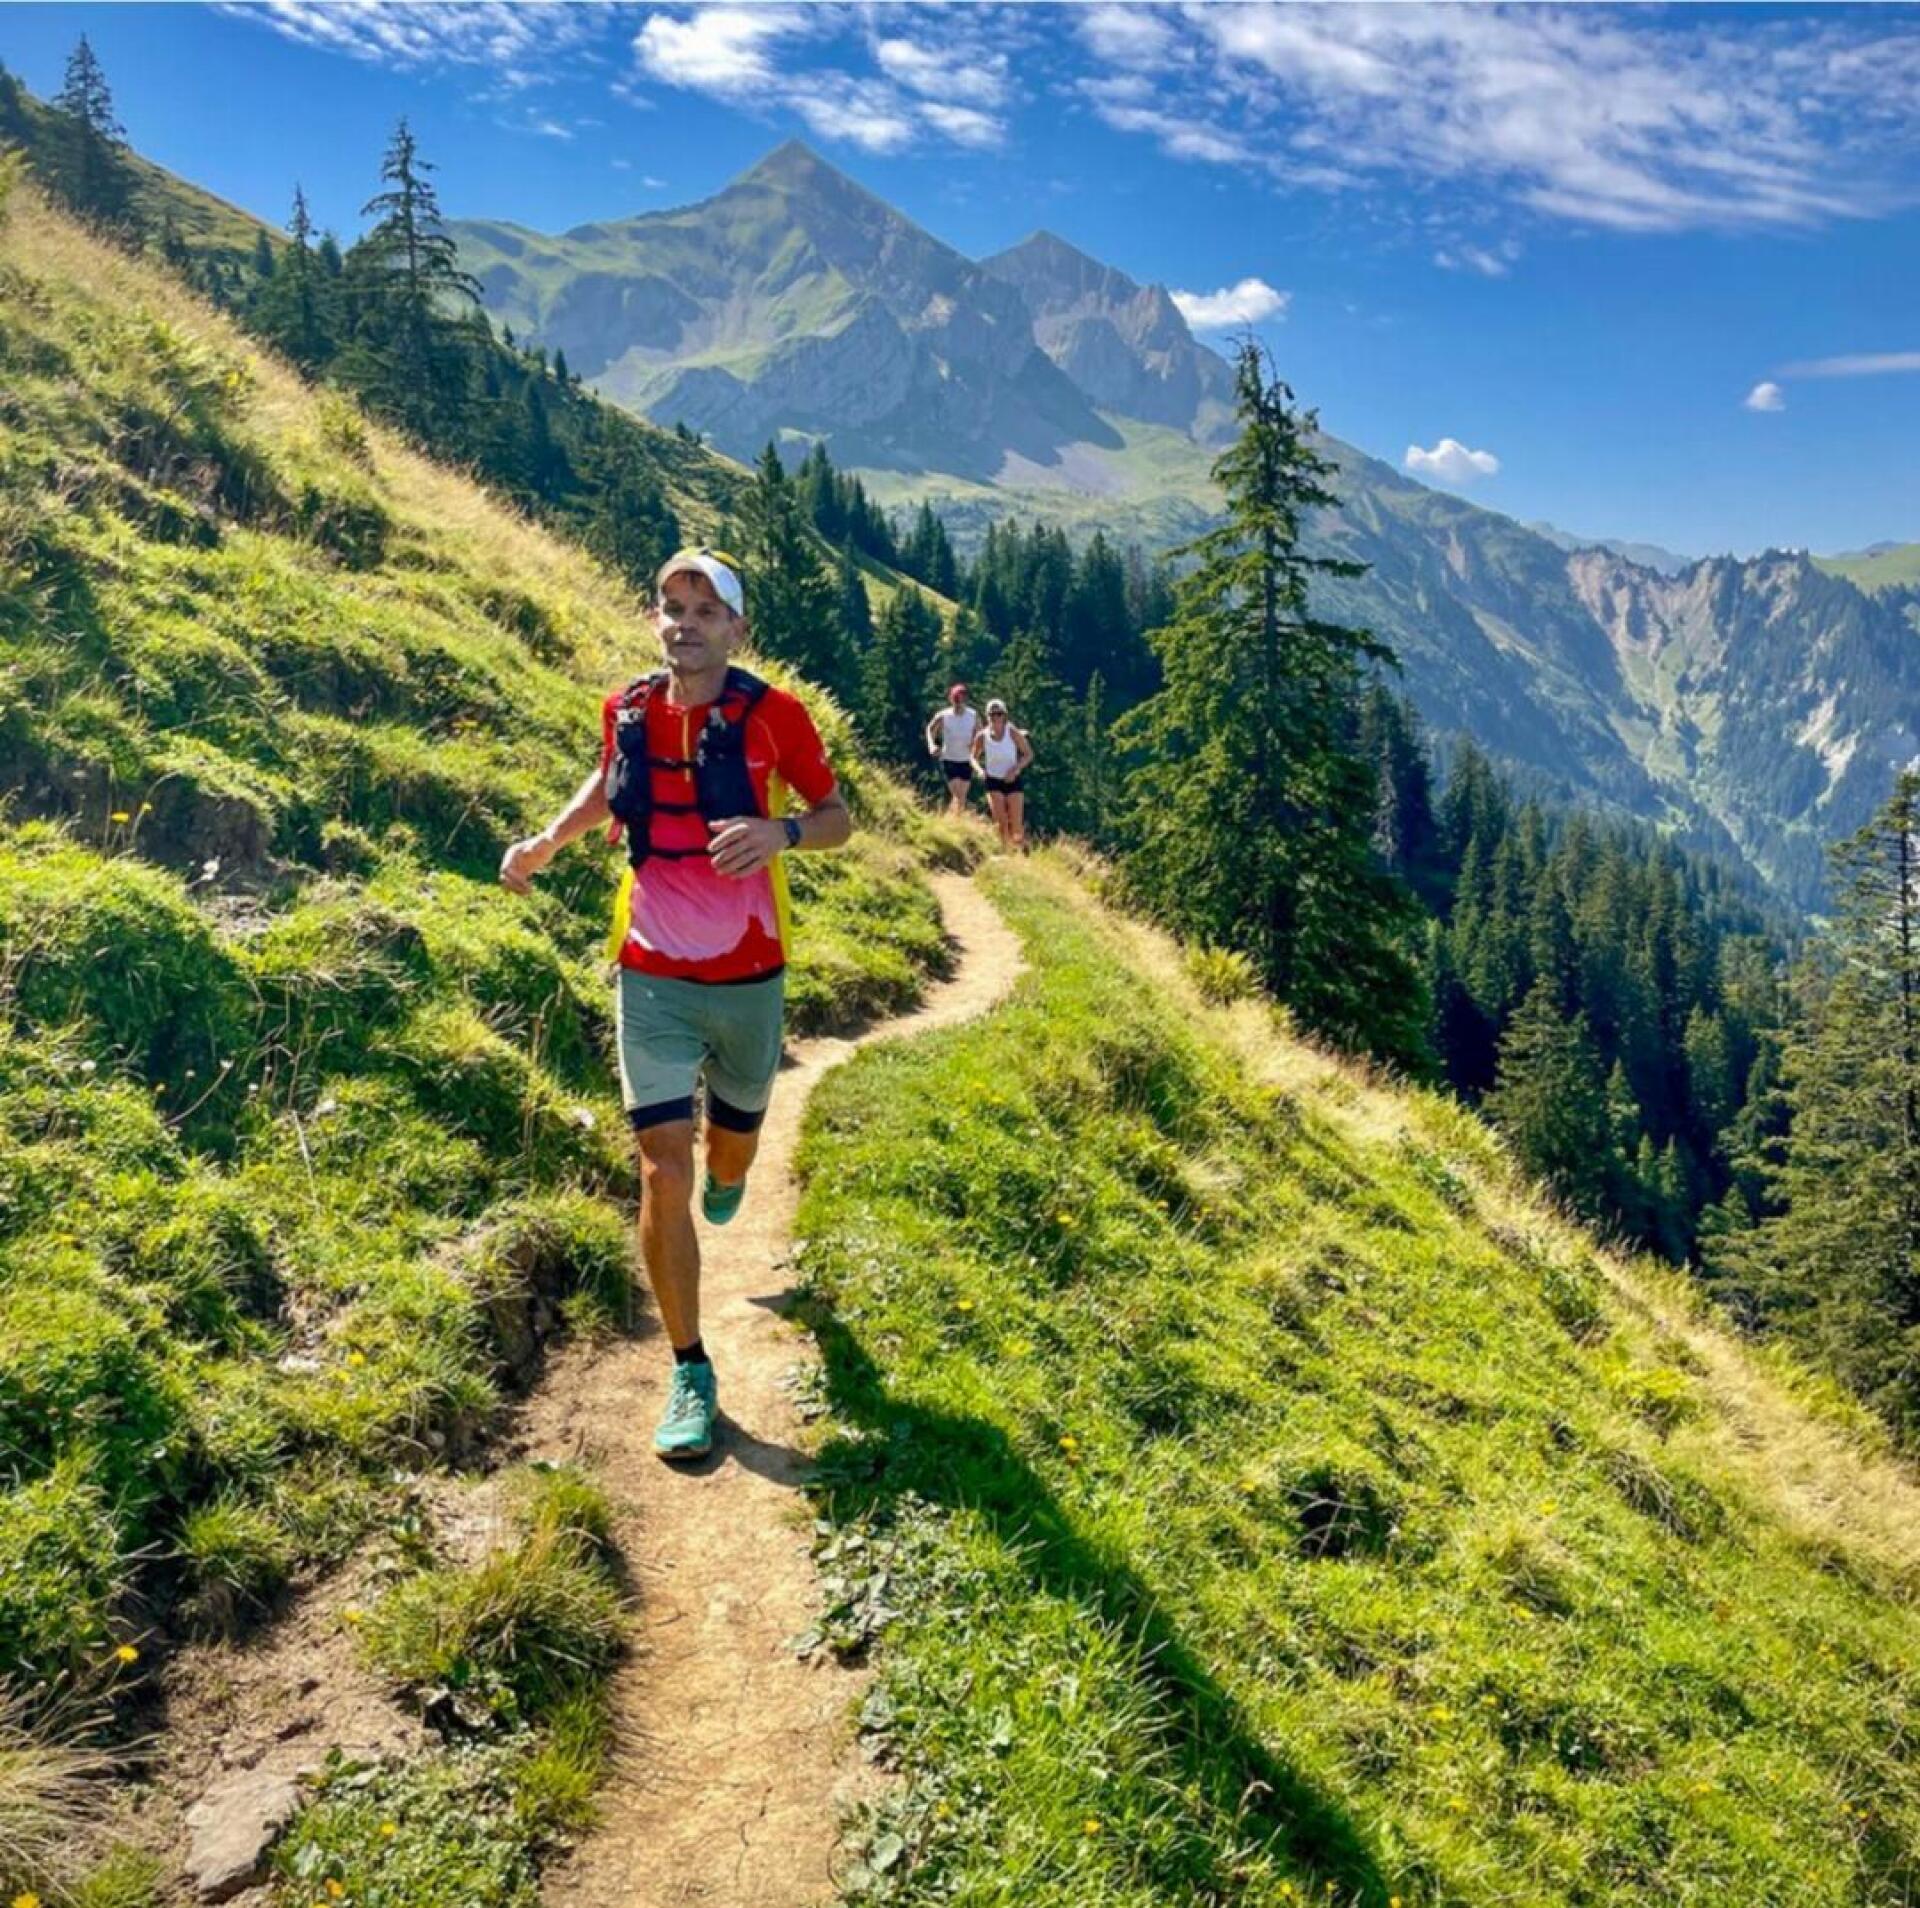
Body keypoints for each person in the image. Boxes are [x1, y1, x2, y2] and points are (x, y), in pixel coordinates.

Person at [499, 548, 851, 1461]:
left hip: (748, 975)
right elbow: (607, 789)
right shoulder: (625, 710)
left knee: (730, 1147)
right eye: (671, 605)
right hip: (649, 968)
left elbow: (836, 815)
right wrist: (545, 842)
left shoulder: (775, 716)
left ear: (738, 628)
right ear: (655, 618)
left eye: (705, 607)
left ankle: (734, 1173)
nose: (685, 620)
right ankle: (691, 1367)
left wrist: (782, 832)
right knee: (661, 1168)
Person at [972, 698, 1033, 853]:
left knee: (1016, 824)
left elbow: (1028, 754)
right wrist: (980, 770)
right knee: (1001, 822)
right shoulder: (982, 736)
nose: (996, 718)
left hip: (1012, 780)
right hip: (993, 781)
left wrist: (1015, 769)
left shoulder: (1012, 732)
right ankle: (1006, 853)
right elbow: (973, 757)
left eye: (999, 714)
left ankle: (1019, 853)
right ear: (987, 717)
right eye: (992, 715)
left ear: (1005, 716)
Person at [924, 682, 980, 817]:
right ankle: (955, 821)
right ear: (951, 699)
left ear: (965, 699)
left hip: (967, 760)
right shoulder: (944, 715)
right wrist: (932, 744)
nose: (958, 702)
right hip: (949, 759)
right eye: (955, 699)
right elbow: (930, 729)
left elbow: (980, 734)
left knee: (962, 796)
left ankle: (952, 820)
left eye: (960, 698)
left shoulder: (973, 715)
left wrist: (975, 747)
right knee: (957, 794)